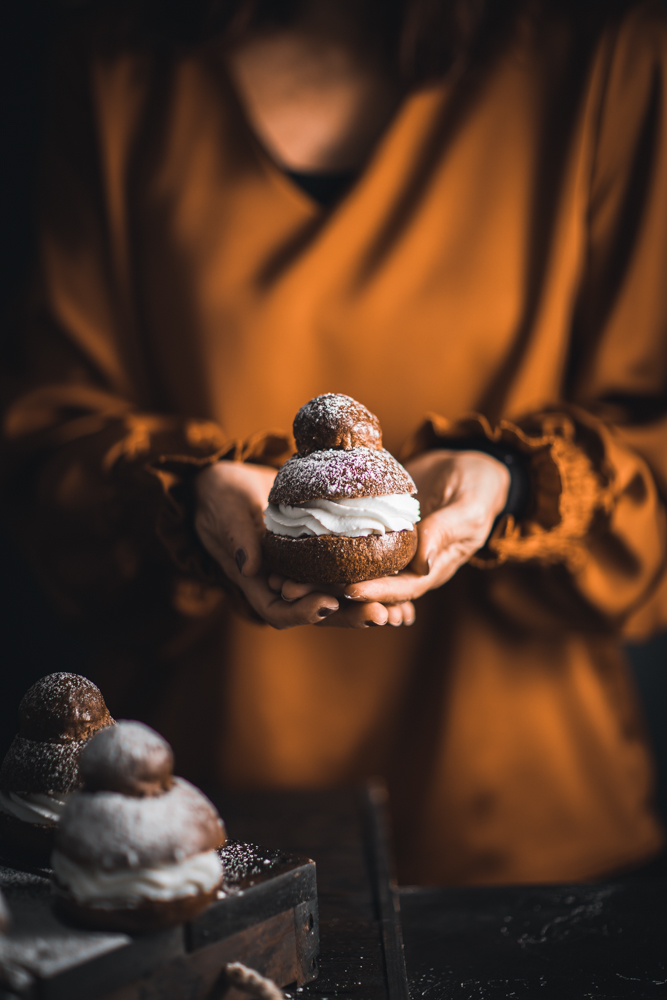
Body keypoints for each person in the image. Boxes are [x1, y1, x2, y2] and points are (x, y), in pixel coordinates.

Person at [3, 0, 667, 885]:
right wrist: (186, 497)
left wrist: (509, 476)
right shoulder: (120, 60)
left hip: (524, 819)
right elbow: (46, 451)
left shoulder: (605, 46)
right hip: (197, 820)